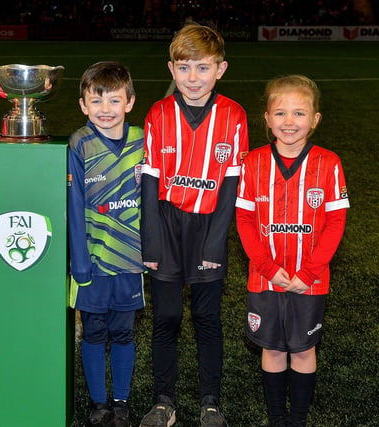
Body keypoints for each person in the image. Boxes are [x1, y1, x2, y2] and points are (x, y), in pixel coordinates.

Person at [139, 23, 249, 427]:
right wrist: (150, 242)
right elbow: (150, 182)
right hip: (167, 225)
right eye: (185, 68)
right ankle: (163, 401)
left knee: (207, 319)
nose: (193, 78)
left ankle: (210, 403)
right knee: (166, 317)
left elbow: (232, 184)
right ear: (172, 68)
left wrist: (216, 242)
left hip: (209, 227)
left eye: (203, 68)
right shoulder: (158, 112)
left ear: (220, 69)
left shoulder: (234, 115)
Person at [235, 75, 349, 427]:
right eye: (280, 113)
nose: (289, 122)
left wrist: (310, 271)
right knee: (271, 348)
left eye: (299, 114)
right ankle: (276, 418)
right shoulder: (252, 163)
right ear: (267, 118)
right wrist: (268, 267)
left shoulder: (329, 163)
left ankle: (296, 420)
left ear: (315, 120)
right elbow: (244, 219)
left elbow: (335, 224)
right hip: (265, 277)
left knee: (302, 350)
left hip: (309, 280)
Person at [68, 61, 145, 427]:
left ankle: (121, 400)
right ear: (83, 105)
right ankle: (99, 403)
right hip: (93, 261)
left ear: (129, 101)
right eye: (96, 102)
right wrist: (78, 262)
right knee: (95, 331)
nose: (105, 110)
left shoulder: (143, 142)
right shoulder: (79, 144)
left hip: (131, 260)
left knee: (124, 331)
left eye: (114, 101)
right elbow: (72, 205)